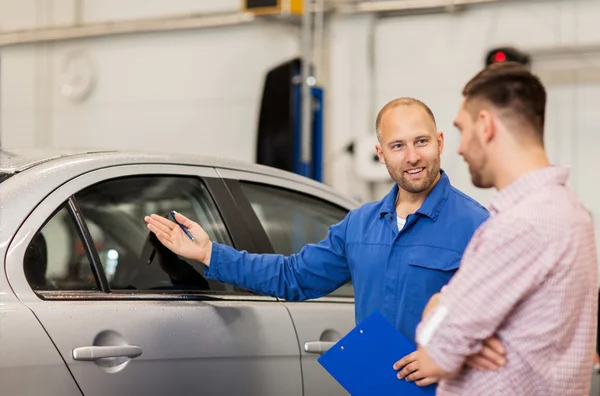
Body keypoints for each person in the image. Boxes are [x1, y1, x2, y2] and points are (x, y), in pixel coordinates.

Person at [145, 97, 495, 386]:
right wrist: (209, 253)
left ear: (440, 142)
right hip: (376, 387)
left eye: (421, 142)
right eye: (398, 146)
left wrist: (452, 357)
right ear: (381, 153)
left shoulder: (477, 225)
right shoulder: (359, 225)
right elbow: (292, 277)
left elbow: (509, 321)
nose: (413, 157)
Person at [403, 63, 599, 395]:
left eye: (462, 129)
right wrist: (462, 335)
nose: (460, 148)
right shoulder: (571, 212)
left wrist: (438, 302)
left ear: (485, 125)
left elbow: (436, 350)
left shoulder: (520, 224)